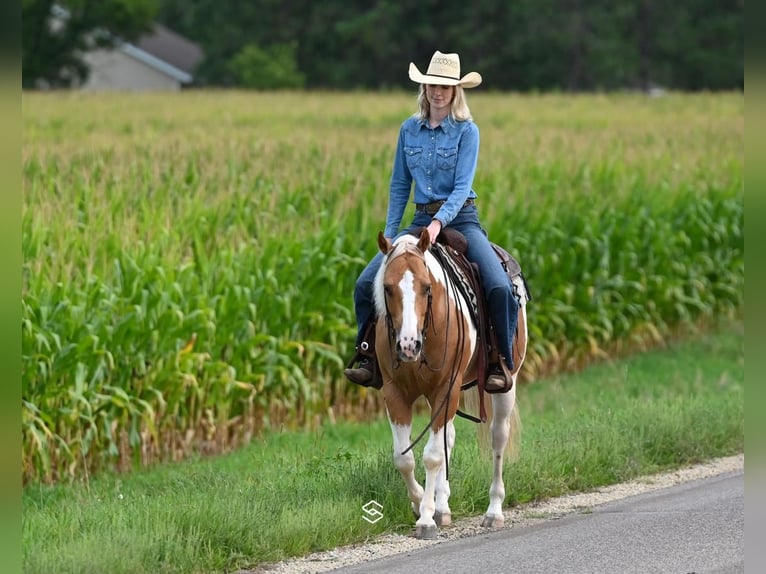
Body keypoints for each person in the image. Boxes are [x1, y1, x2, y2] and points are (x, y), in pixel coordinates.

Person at [344, 50, 519, 393]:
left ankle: (500, 361)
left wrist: (438, 224)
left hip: (461, 219)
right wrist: (393, 237)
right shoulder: (409, 130)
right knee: (366, 284)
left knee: (498, 285)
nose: (437, 91)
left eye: (445, 86)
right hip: (418, 220)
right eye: (431, 85)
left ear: (455, 91)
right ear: (424, 88)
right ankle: (367, 355)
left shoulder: (468, 132)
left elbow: (461, 187)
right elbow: (399, 186)